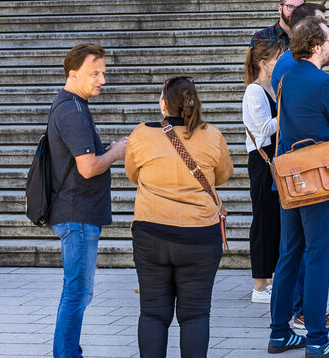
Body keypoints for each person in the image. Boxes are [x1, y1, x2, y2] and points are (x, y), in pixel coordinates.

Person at [267, 16, 329, 357]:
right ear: (317, 46)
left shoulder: (287, 76)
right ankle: (317, 338)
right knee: (318, 257)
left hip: (290, 176)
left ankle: (279, 334)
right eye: (327, 40)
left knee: (289, 254)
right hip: (318, 177)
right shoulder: (323, 83)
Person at [125, 76, 233, 358]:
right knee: (195, 315)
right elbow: (223, 175)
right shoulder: (212, 135)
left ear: (163, 104)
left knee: (152, 314)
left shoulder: (140, 134)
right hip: (199, 236)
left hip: (151, 234)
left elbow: (132, 174)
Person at [48, 43, 128, 358]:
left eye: (103, 73)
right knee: (77, 292)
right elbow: (88, 166)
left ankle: (68, 351)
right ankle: (66, 354)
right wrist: (117, 152)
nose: (102, 80)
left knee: (77, 290)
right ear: (73, 73)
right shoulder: (72, 109)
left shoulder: (71, 105)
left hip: (77, 212)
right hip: (77, 214)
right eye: (95, 73)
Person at [242, 38, 286, 304]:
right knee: (262, 221)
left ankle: (270, 280)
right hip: (262, 161)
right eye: (277, 59)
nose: (281, 63)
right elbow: (263, 129)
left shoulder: (271, 88)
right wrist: (290, 112)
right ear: (263, 63)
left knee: (275, 222)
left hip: (275, 158)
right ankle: (260, 285)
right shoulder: (255, 91)